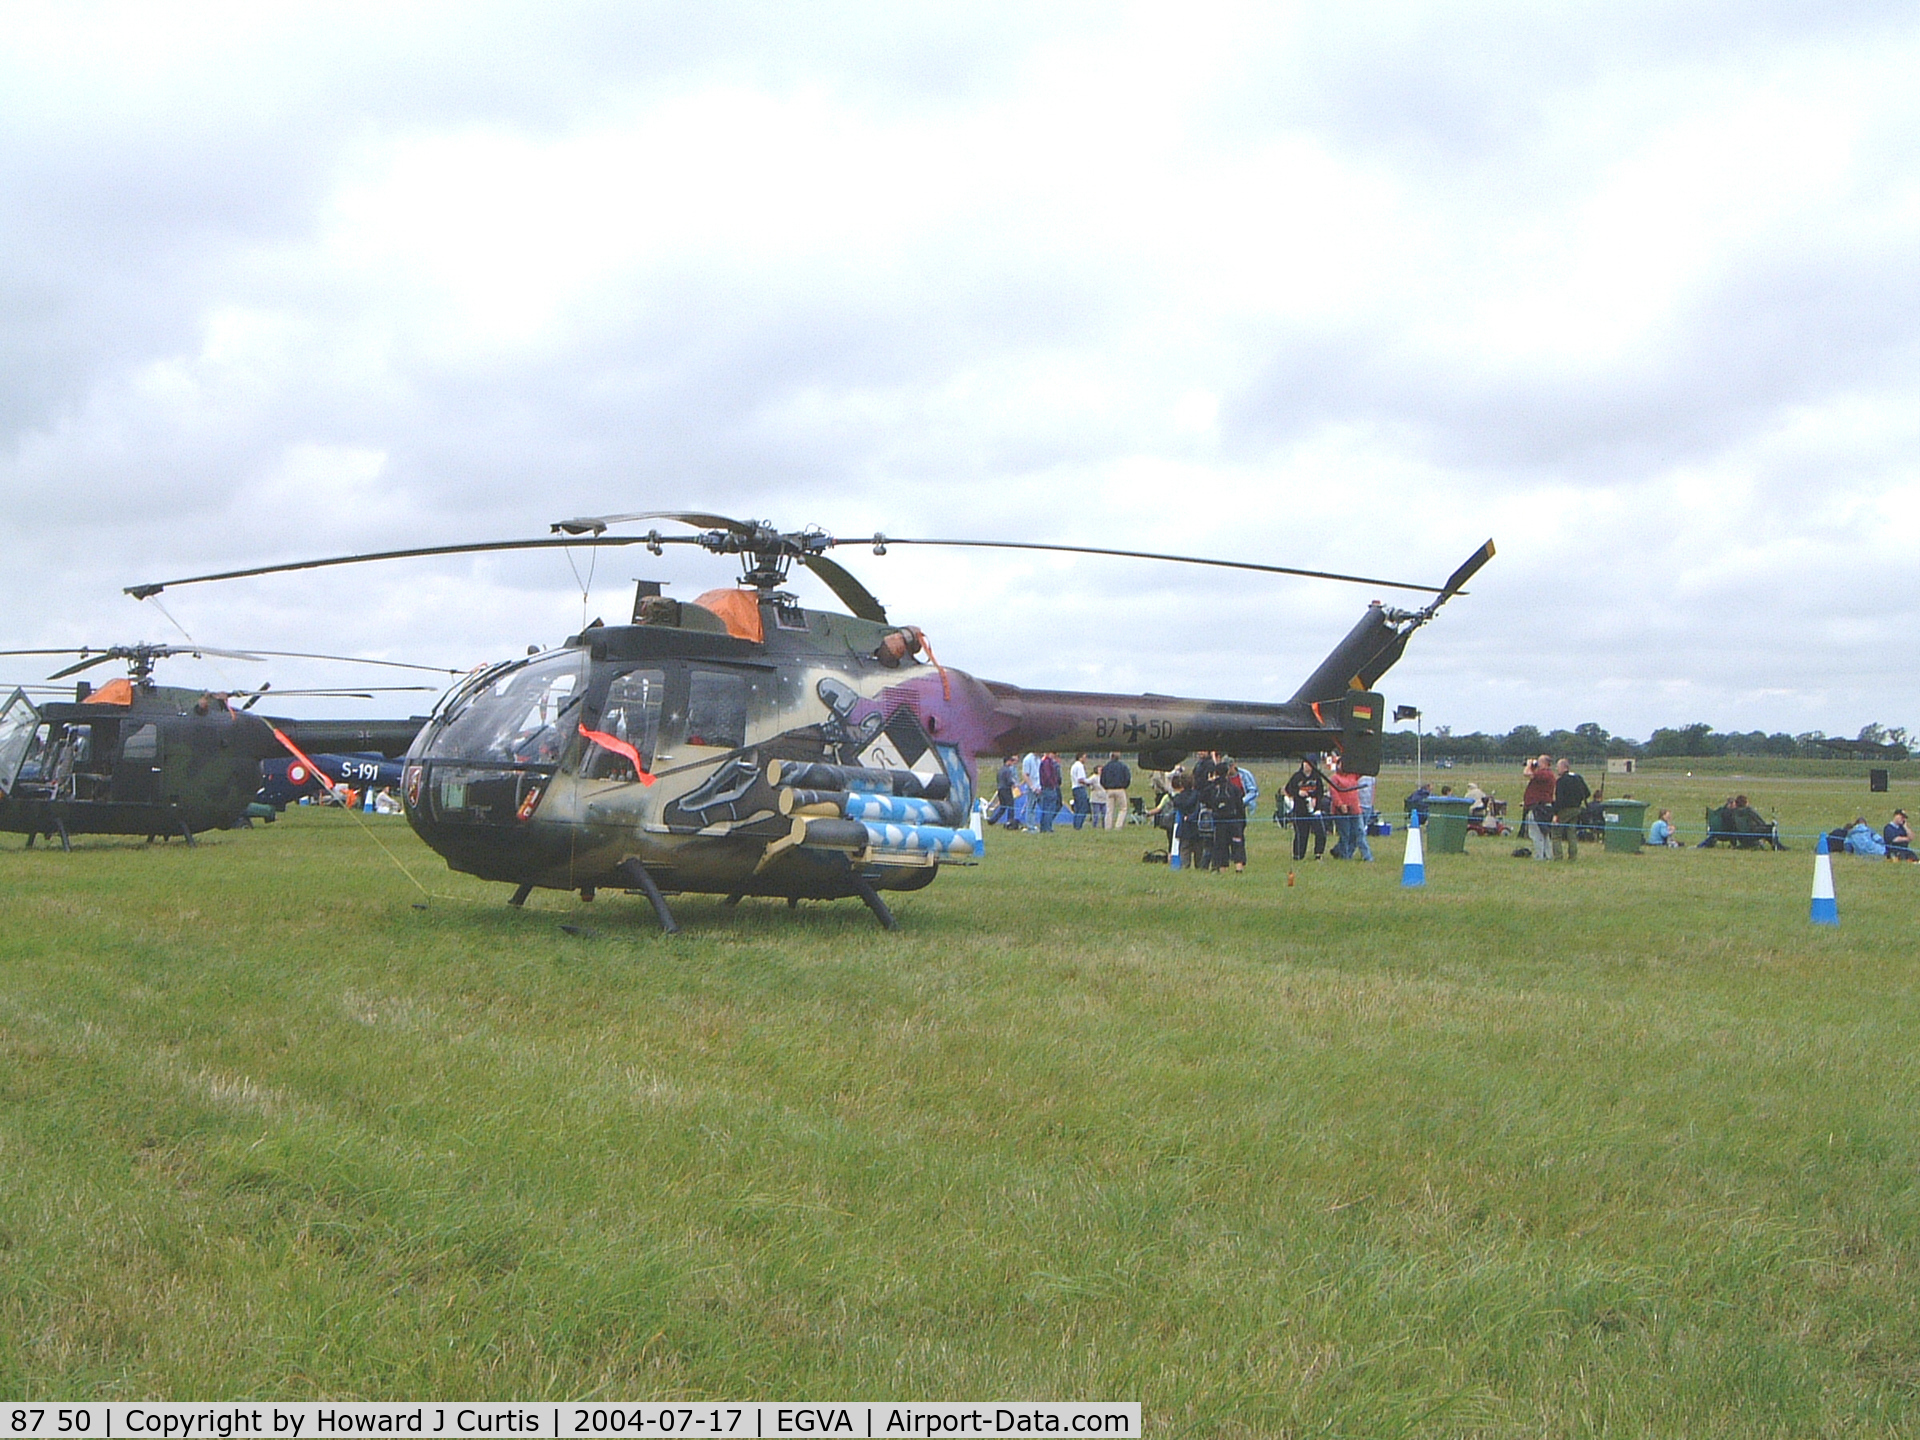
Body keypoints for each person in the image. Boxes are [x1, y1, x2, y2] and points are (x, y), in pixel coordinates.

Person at [1202, 752, 1248, 872]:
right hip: (1234, 820)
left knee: (1221, 846)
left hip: (1219, 820)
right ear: (1227, 772)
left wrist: (1210, 782)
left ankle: (1223, 869)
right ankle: (1239, 868)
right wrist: (1242, 821)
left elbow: (1203, 798)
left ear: (1216, 773)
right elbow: (1240, 805)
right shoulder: (1233, 788)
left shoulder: (1212, 788)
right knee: (1237, 843)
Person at [1326, 754, 1371, 861]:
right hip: (1341, 811)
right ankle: (1344, 856)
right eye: (1341, 764)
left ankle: (1365, 856)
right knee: (1345, 833)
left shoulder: (1353, 775)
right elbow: (1334, 793)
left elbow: (1363, 769)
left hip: (1355, 809)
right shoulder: (1335, 778)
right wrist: (1340, 805)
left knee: (1358, 832)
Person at [1285, 755, 1330, 861]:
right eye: (1305, 763)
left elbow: (1320, 792)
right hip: (1300, 810)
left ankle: (1318, 854)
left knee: (1320, 832)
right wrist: (1298, 792)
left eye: (1309, 763)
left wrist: (1316, 801)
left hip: (1314, 810)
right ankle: (1298, 855)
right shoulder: (1297, 777)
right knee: (1301, 834)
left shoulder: (1317, 777)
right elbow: (1288, 789)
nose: (1306, 765)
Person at [1550, 758, 1591, 861]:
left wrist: (1556, 814)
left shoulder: (1561, 781)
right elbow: (1587, 793)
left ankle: (1558, 857)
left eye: (1558, 767)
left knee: (1556, 834)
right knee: (1571, 833)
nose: (1556, 769)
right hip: (1577, 809)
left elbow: (1559, 799)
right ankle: (1573, 857)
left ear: (1564, 767)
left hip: (1564, 810)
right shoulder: (1578, 778)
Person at [1521, 755, 1556, 861]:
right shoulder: (1547, 774)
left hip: (1538, 807)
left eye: (1539, 762)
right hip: (1543, 806)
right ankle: (1547, 855)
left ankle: (1539, 856)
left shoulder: (1544, 773)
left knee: (1536, 833)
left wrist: (1528, 765)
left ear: (1545, 763)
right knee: (1544, 833)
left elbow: (1526, 773)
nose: (1537, 763)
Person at [1099, 752, 1132, 830]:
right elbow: (1127, 778)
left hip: (1109, 790)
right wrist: (1124, 786)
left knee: (1109, 810)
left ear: (1111, 757)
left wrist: (1106, 787)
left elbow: (1102, 780)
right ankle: (1118, 825)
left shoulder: (1106, 767)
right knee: (1123, 808)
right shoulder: (1123, 766)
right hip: (1120, 789)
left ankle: (1108, 826)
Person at [990, 756, 1019, 829]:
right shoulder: (1008, 770)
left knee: (1002, 807)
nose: (1012, 763)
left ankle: (992, 820)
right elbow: (1009, 781)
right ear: (1007, 761)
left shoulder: (1000, 770)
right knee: (1010, 806)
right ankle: (1010, 822)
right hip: (1006, 789)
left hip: (1000, 789)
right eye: (1011, 761)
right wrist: (1014, 784)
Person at [1037, 751, 1063, 832]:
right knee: (1049, 809)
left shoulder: (1045, 762)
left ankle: (1044, 827)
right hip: (1049, 788)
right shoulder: (1047, 762)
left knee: (1046, 808)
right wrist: (1053, 784)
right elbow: (1049, 776)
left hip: (1046, 787)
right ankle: (1047, 828)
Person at [1018, 751, 1042, 830]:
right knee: (1030, 806)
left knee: (1035, 807)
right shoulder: (1028, 759)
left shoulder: (1039, 759)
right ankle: (1030, 826)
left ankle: (1034, 824)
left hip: (1039, 786)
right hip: (1031, 787)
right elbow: (1025, 775)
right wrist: (1032, 787)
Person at [1069, 753, 1091, 831]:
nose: (1085, 759)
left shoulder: (1074, 766)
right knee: (1082, 808)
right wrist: (1088, 782)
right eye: (1084, 757)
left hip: (1074, 788)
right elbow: (1081, 779)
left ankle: (1076, 825)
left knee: (1077, 808)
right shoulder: (1080, 766)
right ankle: (1079, 825)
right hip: (1080, 788)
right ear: (1080, 757)